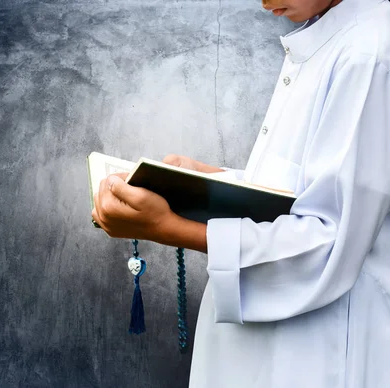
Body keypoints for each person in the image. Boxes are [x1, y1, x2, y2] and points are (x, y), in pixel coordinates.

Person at [91, 0, 390, 386]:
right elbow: (307, 187)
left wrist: (168, 228)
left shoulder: (367, 54)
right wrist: (204, 178)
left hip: (316, 353)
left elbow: (328, 243)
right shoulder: (329, 36)